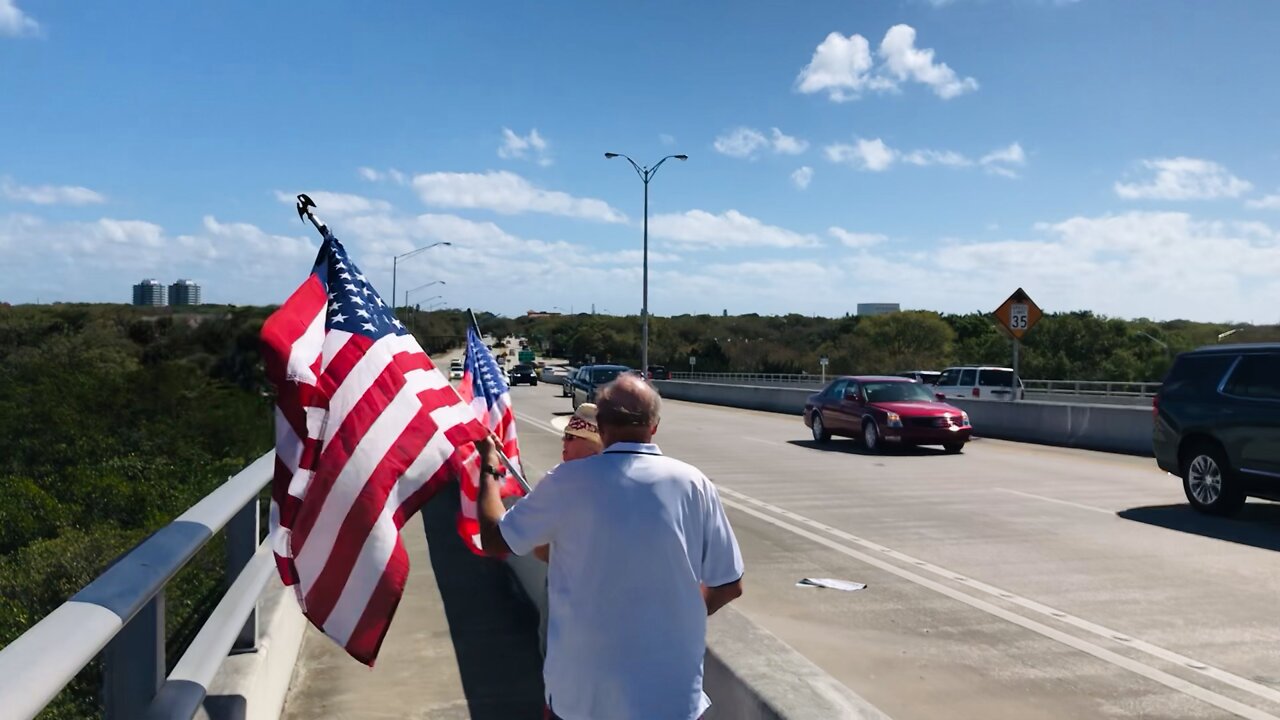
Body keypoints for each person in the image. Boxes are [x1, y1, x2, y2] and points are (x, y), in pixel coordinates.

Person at [475, 374, 744, 720]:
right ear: (654, 427)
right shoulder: (695, 484)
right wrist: (677, 619)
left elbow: (495, 538)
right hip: (671, 701)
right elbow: (730, 584)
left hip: (581, 700)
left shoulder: (566, 482)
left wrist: (489, 467)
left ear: (601, 428)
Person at [532, 403, 604, 562]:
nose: (564, 441)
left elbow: (540, 549)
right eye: (565, 435)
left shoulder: (560, 482)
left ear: (593, 445)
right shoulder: (617, 479)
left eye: (570, 437)